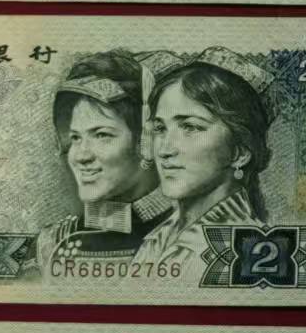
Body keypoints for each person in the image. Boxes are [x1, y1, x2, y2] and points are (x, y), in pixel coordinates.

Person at [33, 49, 173, 277]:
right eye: (75, 138)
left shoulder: (193, 236)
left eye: (101, 135)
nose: (81, 156)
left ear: (146, 141)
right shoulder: (51, 244)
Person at [134, 51, 272, 273]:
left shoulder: (247, 250)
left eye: (190, 127)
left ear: (240, 153)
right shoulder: (157, 238)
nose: (164, 150)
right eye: (160, 128)